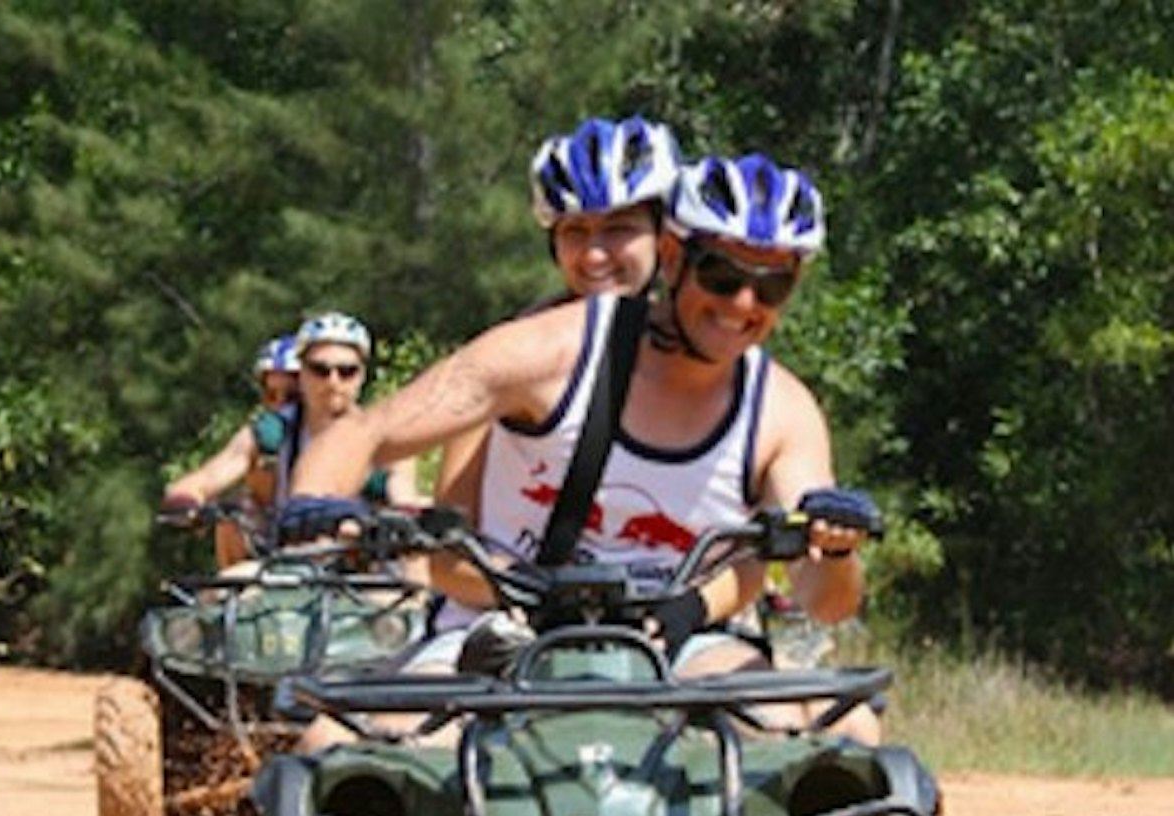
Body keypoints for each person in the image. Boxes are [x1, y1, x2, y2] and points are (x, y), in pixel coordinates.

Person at [281, 152, 882, 735]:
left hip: (679, 641)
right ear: (673, 258)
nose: (741, 305)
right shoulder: (546, 352)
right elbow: (368, 431)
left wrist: (835, 551)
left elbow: (825, 602)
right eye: (721, 276)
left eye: (771, 286)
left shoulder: (781, 410)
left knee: (826, 729)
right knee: (367, 745)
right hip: (499, 625)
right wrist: (315, 504)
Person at [434, 114, 681, 600]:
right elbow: (448, 551)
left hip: (663, 631)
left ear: (664, 238)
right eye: (575, 232)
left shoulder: (707, 363)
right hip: (513, 619)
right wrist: (537, 595)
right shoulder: (508, 356)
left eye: (619, 229)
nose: (594, 255)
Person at [164, 313, 423, 566]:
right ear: (301, 373)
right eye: (320, 370)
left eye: (347, 371)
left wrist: (400, 515)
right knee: (219, 595)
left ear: (362, 376)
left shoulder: (387, 438)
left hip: (363, 573)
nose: (333, 382)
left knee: (414, 598)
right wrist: (186, 500)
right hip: (283, 564)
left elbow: (403, 494)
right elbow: (209, 476)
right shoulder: (272, 433)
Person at [162, 334, 301, 566]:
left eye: (293, 397)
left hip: (344, 565)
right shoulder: (261, 438)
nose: (280, 405)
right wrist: (186, 499)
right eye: (271, 395)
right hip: (267, 561)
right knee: (231, 518)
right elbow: (212, 474)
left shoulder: (353, 433)